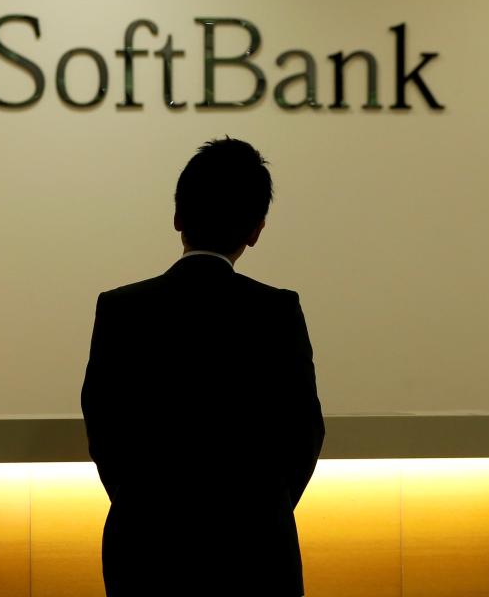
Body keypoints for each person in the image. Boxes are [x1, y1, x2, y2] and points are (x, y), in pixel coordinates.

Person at [81, 135, 325, 597]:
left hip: (144, 551)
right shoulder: (277, 312)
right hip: (256, 552)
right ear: (256, 230)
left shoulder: (121, 310)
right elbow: (303, 435)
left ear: (178, 217)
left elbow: (105, 430)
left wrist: (143, 512)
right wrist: (262, 514)